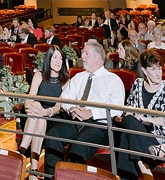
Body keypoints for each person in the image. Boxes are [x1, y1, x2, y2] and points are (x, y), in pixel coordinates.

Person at [42, 41, 125, 177]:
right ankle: (51, 177)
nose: (82, 57)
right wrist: (71, 108)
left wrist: (91, 112)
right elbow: (65, 97)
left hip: (99, 126)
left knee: (78, 147)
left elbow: (117, 108)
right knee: (52, 136)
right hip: (76, 120)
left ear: (98, 57)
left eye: (86, 53)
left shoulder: (113, 80)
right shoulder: (79, 77)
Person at [116, 50, 165, 179]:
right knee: (129, 122)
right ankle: (142, 164)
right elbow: (129, 108)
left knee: (126, 136)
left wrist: (147, 120)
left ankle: (134, 171)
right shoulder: (138, 84)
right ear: (145, 71)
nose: (158, 73)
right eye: (153, 69)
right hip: (137, 132)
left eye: (159, 69)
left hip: (159, 140)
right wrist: (132, 116)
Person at [19, 44, 70, 171]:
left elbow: (59, 106)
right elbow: (29, 99)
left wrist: (45, 112)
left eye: (61, 59)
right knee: (37, 111)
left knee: (40, 117)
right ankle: (33, 171)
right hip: (34, 115)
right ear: (49, 59)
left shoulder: (66, 81)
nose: (58, 62)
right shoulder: (39, 76)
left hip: (53, 117)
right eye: (55, 58)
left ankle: (22, 150)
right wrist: (29, 107)